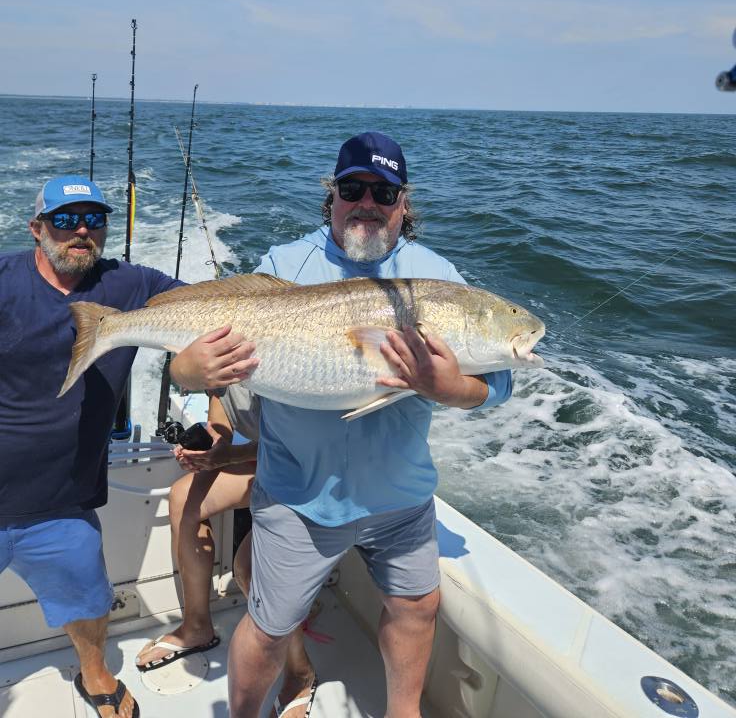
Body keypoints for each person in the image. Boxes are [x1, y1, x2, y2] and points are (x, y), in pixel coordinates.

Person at [172, 132, 514, 718]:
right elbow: (193, 362)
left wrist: (450, 387)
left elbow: (498, 380)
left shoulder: (437, 277)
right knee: (270, 627)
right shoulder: (285, 264)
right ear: (331, 196)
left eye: (384, 192)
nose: (367, 203)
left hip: (399, 495)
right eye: (353, 188)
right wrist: (186, 369)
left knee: (415, 608)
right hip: (299, 496)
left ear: (404, 205)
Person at [0, 175, 248, 718]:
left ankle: (94, 673)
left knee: (88, 603)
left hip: (61, 503)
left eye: (94, 219)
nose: (81, 230)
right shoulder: (4, 279)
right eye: (66, 220)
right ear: (37, 228)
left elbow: (215, 308)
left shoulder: (128, 285)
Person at [133, 389, 317, 718]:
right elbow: (221, 417)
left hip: (310, 467)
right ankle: (196, 627)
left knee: (246, 568)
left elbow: (301, 444)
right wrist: (212, 445)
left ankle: (300, 671)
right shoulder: (221, 353)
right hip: (261, 460)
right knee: (182, 500)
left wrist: (229, 457)